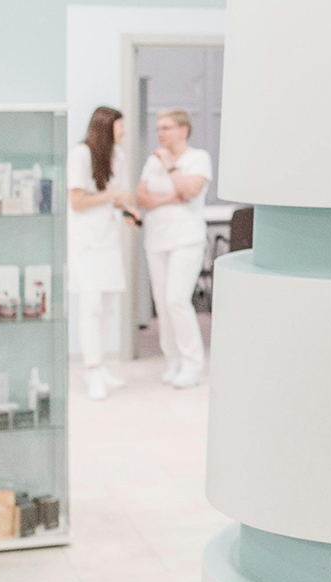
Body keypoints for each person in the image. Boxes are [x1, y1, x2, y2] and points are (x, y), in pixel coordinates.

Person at [134, 108, 215, 389]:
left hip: (186, 239)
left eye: (166, 127)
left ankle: (193, 363)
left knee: (177, 300)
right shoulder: (151, 160)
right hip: (157, 239)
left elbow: (191, 191)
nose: (160, 133)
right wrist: (171, 196)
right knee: (163, 303)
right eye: (158, 127)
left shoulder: (198, 158)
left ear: (183, 130)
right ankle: (173, 360)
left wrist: (170, 167)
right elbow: (141, 197)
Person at [68, 106, 141, 401]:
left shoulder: (118, 156)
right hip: (85, 242)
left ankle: (104, 366)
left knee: (109, 303)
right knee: (92, 304)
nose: (123, 132)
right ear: (105, 128)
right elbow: (77, 201)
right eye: (119, 127)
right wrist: (113, 197)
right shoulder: (81, 154)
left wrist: (129, 212)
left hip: (108, 239)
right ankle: (92, 369)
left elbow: (119, 198)